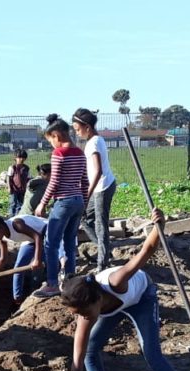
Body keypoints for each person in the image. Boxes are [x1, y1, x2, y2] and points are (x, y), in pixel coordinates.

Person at [59, 208, 190, 371]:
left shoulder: (117, 282)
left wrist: (159, 226)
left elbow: (147, 250)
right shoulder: (87, 310)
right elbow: (77, 359)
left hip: (141, 298)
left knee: (151, 354)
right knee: (90, 351)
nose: (83, 319)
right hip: (112, 308)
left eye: (85, 313)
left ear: (97, 300)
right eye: (78, 314)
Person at [34, 113, 87, 298]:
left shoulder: (59, 154)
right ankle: (71, 282)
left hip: (63, 202)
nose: (52, 145)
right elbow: (85, 181)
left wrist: (42, 203)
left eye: (51, 141)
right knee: (70, 243)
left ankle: (52, 284)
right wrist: (84, 202)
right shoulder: (80, 153)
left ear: (56, 135)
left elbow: (54, 182)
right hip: (78, 201)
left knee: (51, 244)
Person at [72, 108, 117, 271]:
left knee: (100, 224)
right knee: (84, 218)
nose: (76, 133)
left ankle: (102, 264)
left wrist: (87, 194)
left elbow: (98, 171)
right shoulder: (96, 140)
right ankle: (105, 252)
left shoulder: (94, 143)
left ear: (87, 127)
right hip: (101, 186)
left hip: (102, 187)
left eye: (77, 129)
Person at [0, 211, 46, 304]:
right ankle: (18, 299)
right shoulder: (1, 238)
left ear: (0, 227)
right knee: (18, 267)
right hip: (30, 239)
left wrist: (37, 259)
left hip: (46, 231)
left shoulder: (16, 224)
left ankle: (39, 292)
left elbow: (37, 237)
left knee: (40, 267)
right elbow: (3, 259)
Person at [5, 149, 30, 217]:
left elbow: (28, 178)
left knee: (21, 203)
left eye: (23, 157)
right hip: (14, 189)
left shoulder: (26, 168)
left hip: (22, 189)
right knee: (13, 203)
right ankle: (11, 216)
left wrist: (27, 187)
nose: (21, 159)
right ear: (15, 158)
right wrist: (9, 187)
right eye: (19, 157)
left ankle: (18, 216)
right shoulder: (12, 167)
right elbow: (8, 178)